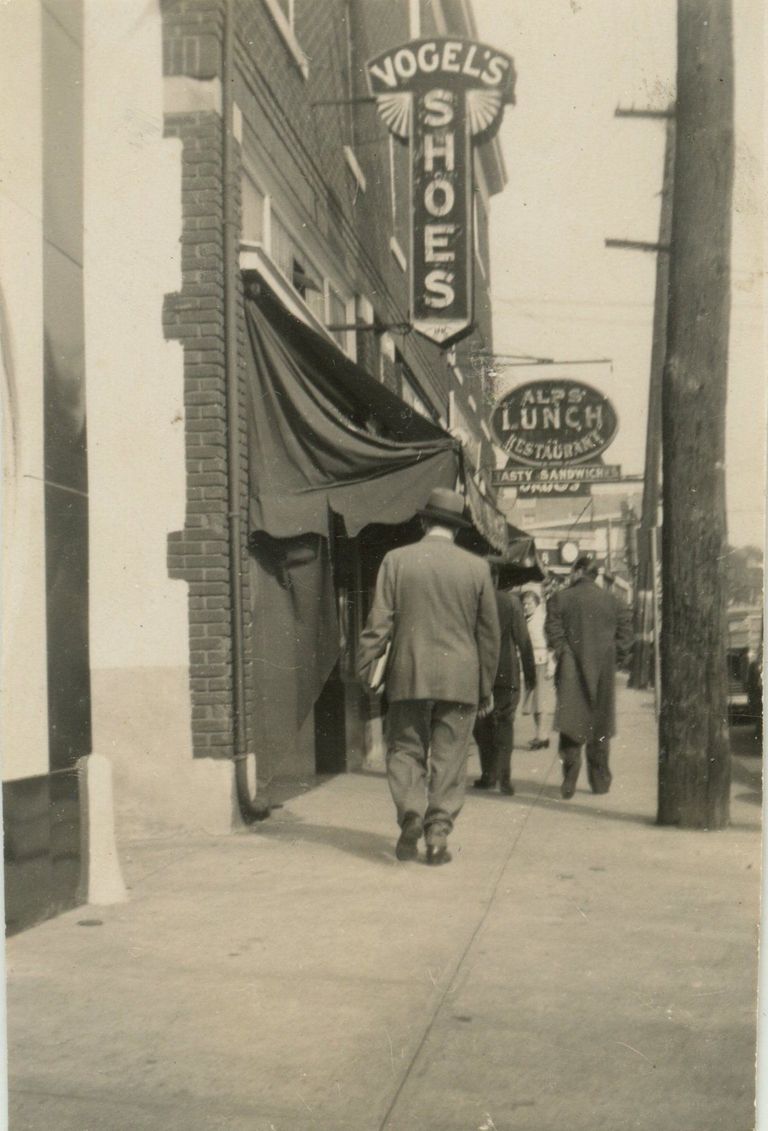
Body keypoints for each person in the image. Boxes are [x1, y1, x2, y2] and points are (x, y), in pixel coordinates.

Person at [357, 487, 500, 865]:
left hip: (409, 673)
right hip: (461, 678)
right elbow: (489, 636)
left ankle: (410, 814)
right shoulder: (477, 568)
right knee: (451, 758)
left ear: (423, 521)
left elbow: (379, 622)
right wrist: (485, 686)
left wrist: (364, 666)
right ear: (456, 528)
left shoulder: (396, 560)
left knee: (405, 749)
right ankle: (437, 836)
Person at [544, 555, 633, 799]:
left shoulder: (560, 598)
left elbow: (553, 632)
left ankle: (569, 777)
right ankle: (600, 781)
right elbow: (626, 635)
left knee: (571, 723)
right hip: (604, 668)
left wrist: (564, 653)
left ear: (579, 571)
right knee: (600, 725)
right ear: (595, 575)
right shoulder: (615, 601)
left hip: (571, 666)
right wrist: (614, 657)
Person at [473, 563, 536, 795]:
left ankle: (489, 775)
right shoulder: (511, 602)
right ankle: (505, 779)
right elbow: (523, 640)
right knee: (505, 724)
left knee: (482, 725)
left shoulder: (472, 601)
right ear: (497, 580)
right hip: (506, 674)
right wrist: (530, 675)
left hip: (478, 674)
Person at [520, 589, 551, 749]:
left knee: (539, 701)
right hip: (530, 663)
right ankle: (540, 735)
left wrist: (550, 665)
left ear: (536, 604)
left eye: (529, 603)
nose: (526, 606)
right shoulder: (527, 619)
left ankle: (542, 736)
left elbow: (549, 643)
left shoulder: (541, 619)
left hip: (540, 661)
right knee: (534, 701)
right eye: (524, 603)